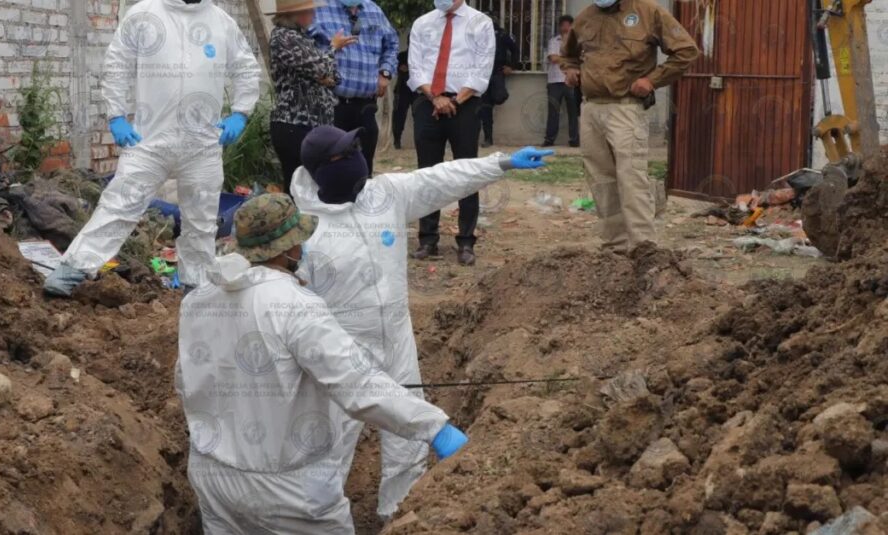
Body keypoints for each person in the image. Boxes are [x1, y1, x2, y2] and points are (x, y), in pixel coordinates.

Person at [290, 125, 552, 521]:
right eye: (344, 155)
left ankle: (398, 517)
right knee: (328, 450)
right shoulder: (303, 231)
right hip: (341, 357)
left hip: (397, 343)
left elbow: (442, 179)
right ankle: (322, 524)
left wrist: (501, 163)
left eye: (357, 148)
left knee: (407, 444)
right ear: (318, 172)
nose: (356, 159)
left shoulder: (385, 196)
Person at [178, 193, 470, 534]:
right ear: (290, 248)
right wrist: (433, 427)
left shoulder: (198, 300)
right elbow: (357, 385)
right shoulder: (295, 305)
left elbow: (188, 380)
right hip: (288, 488)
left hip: (213, 476)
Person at [42, 0, 261, 296]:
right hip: (150, 140)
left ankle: (195, 286)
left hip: (202, 144)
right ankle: (74, 268)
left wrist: (241, 111)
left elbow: (246, 67)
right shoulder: (145, 14)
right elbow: (117, 63)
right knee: (120, 202)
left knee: (202, 219)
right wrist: (116, 115)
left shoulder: (221, 22)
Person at [561, 0, 697, 252]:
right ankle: (615, 247)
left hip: (626, 108)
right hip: (591, 108)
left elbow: (686, 51)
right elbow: (568, 54)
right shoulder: (586, 16)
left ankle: (643, 248)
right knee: (601, 180)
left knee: (631, 178)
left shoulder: (649, 12)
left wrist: (652, 80)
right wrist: (570, 69)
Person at [408, 0, 496, 266]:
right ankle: (427, 239)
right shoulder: (423, 23)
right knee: (427, 174)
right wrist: (435, 98)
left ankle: (466, 241)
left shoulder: (481, 22)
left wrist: (455, 101)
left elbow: (482, 70)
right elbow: (416, 67)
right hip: (428, 103)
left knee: (467, 173)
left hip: (465, 106)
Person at [268, 0, 356, 194]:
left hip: (314, 125)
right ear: (297, 14)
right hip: (295, 125)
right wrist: (332, 48)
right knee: (299, 186)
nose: (314, 15)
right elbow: (321, 68)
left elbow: (334, 76)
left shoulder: (303, 38)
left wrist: (324, 73)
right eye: (310, 11)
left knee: (315, 185)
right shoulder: (284, 38)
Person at [312, 0, 399, 176]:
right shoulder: (318, 9)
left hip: (365, 106)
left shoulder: (374, 10)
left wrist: (385, 72)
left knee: (363, 171)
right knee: (334, 170)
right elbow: (305, 49)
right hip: (331, 106)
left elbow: (392, 44)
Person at [479, 17, 519, 147]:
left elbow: (515, 50)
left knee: (499, 97)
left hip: (497, 72)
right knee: (485, 107)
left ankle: (488, 136)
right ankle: (488, 138)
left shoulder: (501, 34)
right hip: (482, 73)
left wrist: (511, 66)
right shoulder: (477, 33)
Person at [543, 14, 580, 148]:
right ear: (559, 27)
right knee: (553, 111)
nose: (565, 27)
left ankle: (574, 140)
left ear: (572, 26)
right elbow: (553, 58)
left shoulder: (577, 42)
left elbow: (580, 59)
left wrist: (562, 58)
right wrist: (570, 59)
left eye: (567, 25)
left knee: (573, 112)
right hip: (554, 81)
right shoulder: (554, 41)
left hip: (571, 81)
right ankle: (549, 139)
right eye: (562, 25)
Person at [391, 48, 413, 150]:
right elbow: (398, 68)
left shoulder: (423, 54)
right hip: (402, 89)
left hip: (418, 90)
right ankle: (397, 140)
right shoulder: (402, 55)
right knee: (398, 116)